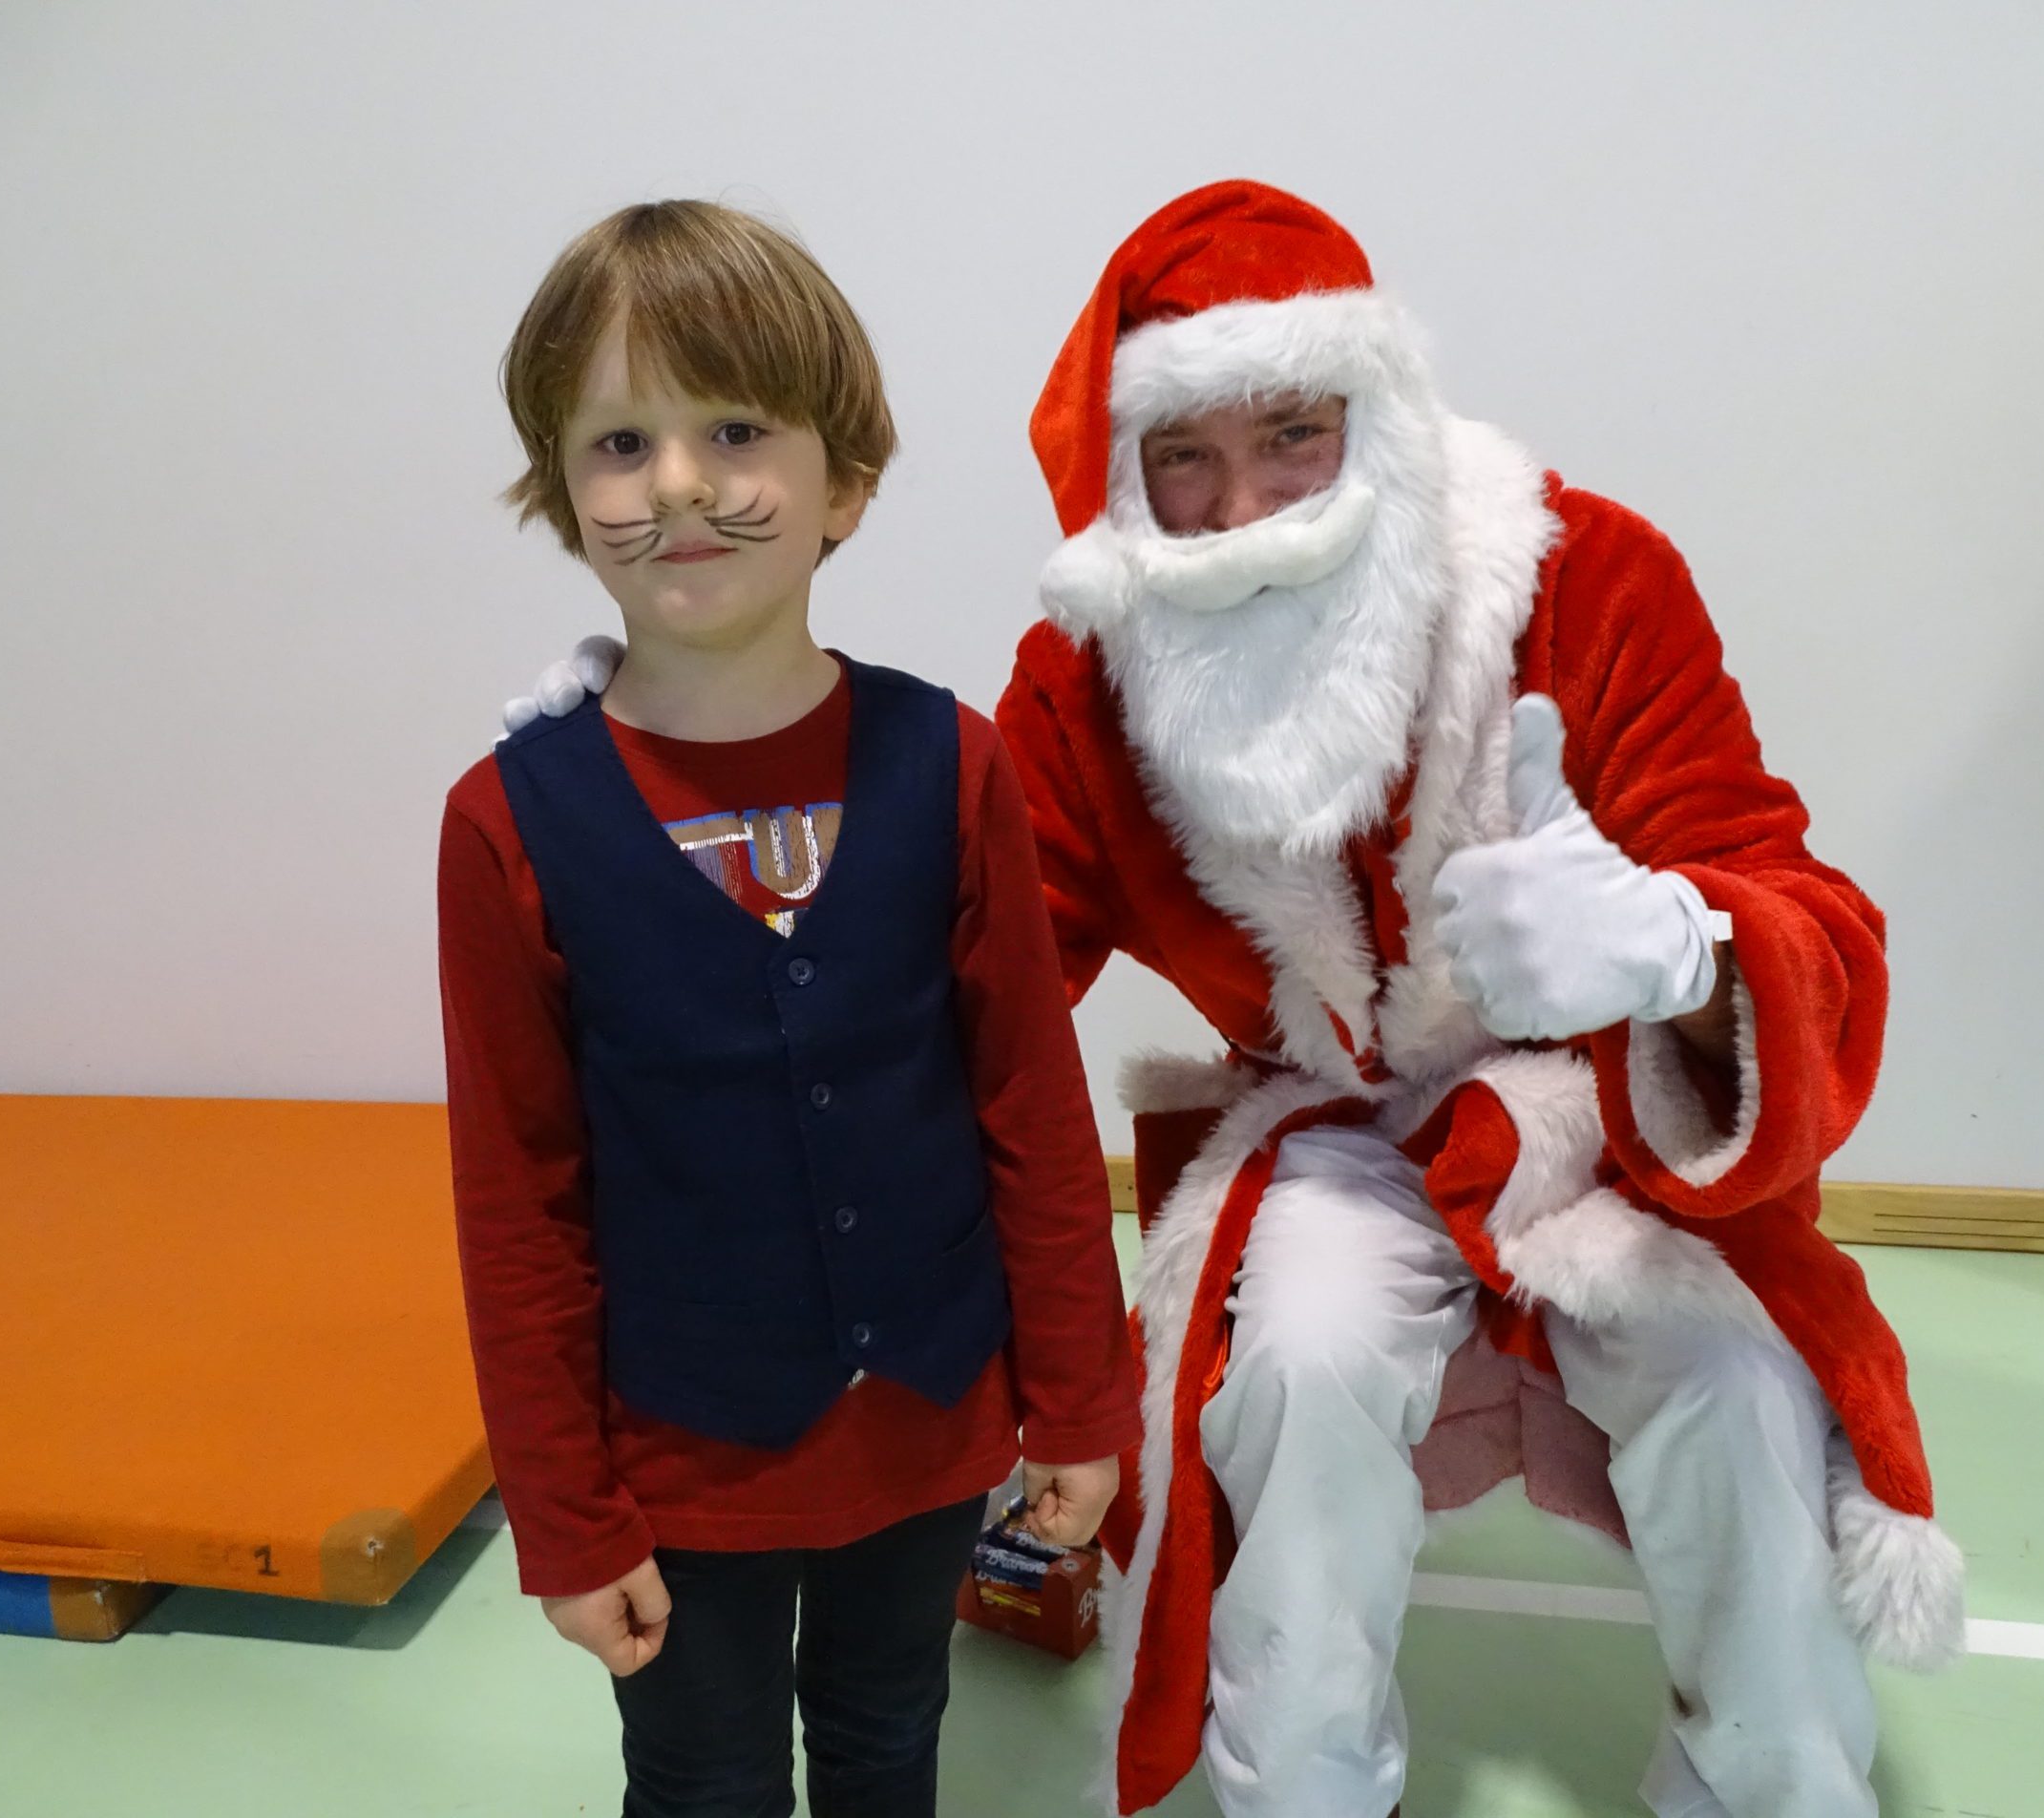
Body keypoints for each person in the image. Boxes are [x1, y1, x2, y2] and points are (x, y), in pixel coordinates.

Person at [513, 181, 1964, 1818]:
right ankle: (1310, 1792)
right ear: (1123, 473)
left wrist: (1677, 952)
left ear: (1379, 422)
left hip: (1607, 1135)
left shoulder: (1589, 574)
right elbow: (931, 974)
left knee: (1741, 1395)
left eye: (1294, 434)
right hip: (1336, 1131)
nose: (1244, 507)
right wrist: (654, 761)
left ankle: (1770, 1790)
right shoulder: (1089, 675)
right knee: (1294, 1365)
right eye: (1184, 455)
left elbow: (1790, 895)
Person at [441, 200, 1137, 1818]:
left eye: (738, 430)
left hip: (928, 1430)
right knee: (706, 1778)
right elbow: (517, 1203)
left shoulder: (951, 764)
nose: (680, 484)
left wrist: (1080, 1398)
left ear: (848, 483)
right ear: (561, 488)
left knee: (891, 1739)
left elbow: (1032, 1111)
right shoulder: (506, 823)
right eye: (622, 442)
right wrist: (565, 1517)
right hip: (678, 1460)